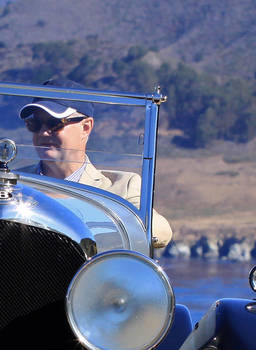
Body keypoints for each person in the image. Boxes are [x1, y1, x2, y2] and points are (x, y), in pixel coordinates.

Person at [18, 90, 173, 250]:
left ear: (85, 127)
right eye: (34, 124)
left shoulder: (122, 186)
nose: (43, 132)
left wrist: (97, 226)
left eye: (54, 123)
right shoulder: (14, 182)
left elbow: (161, 232)